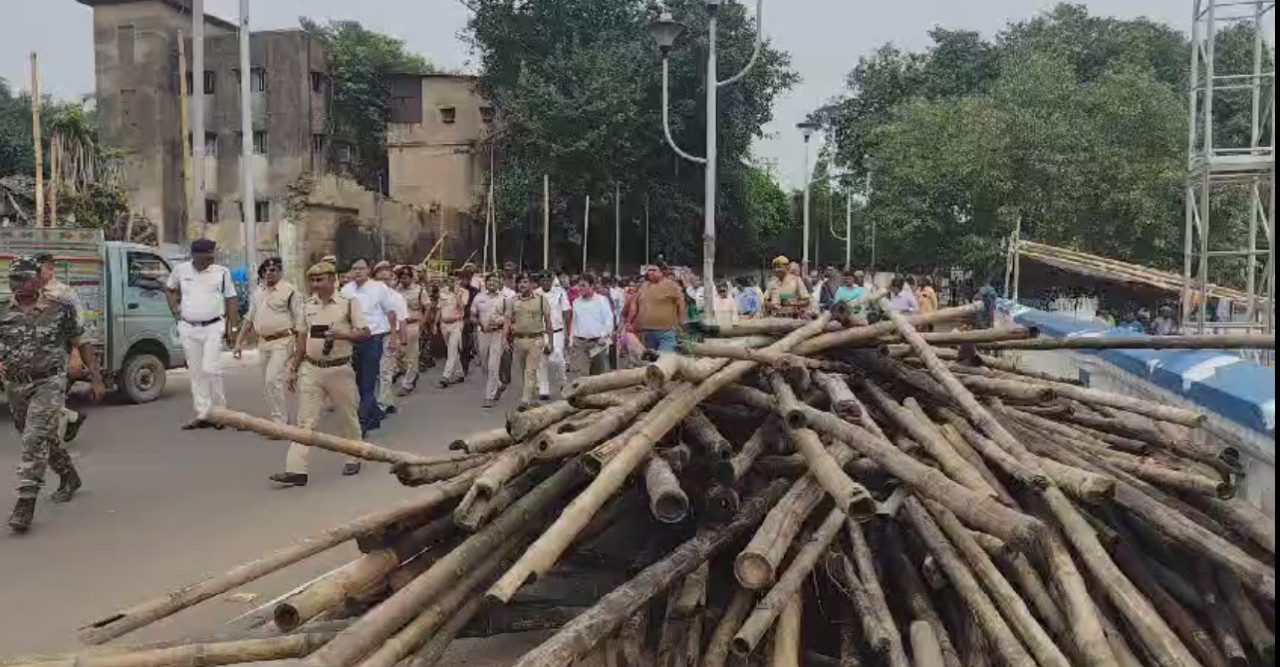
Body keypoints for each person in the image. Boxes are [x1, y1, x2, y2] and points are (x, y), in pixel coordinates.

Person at [2, 257, 106, 532]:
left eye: (23, 280)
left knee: (34, 440)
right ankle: (69, 476)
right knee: (44, 436)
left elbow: (81, 341)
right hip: (15, 385)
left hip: (48, 381)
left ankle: (25, 502)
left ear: (37, 280)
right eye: (13, 281)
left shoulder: (59, 309)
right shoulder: (3, 309)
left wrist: (95, 378)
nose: (18, 286)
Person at [271, 260, 370, 486]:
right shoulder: (307, 305)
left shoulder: (348, 303)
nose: (316, 284)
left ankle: (354, 455)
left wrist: (341, 335)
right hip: (312, 369)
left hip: (340, 369)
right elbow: (302, 338)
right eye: (313, 280)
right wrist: (294, 368)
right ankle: (296, 470)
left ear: (332, 280)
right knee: (305, 422)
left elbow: (365, 333)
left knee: (347, 417)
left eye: (320, 280)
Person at [166, 238, 239, 430]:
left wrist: (233, 329)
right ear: (195, 255)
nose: (211, 259)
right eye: (207, 256)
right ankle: (204, 413)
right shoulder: (180, 270)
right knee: (196, 372)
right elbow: (169, 288)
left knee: (211, 368)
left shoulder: (222, 272)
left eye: (212, 255)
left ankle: (220, 413)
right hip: (188, 327)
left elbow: (231, 299)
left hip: (214, 326)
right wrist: (175, 311)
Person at [234, 257, 303, 433]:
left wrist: (300, 348)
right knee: (268, 382)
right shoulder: (258, 292)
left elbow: (300, 320)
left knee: (273, 379)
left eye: (273, 269)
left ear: (281, 271)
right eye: (266, 270)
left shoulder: (290, 291)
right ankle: (278, 418)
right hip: (263, 342)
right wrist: (238, 342)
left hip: (283, 340)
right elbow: (249, 319)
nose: (269, 273)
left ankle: (280, 424)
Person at [340, 258, 401, 436]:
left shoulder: (379, 288)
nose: (357, 272)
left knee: (367, 381)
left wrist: (394, 336)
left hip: (374, 338)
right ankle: (374, 413)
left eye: (361, 268)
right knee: (357, 381)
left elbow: (391, 312)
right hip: (353, 339)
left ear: (368, 271)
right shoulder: (346, 290)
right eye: (354, 268)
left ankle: (362, 424)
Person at [33, 252, 89, 443]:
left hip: (58, 351)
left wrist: (75, 353)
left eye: (39, 268)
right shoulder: (29, 290)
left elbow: (78, 321)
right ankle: (72, 417)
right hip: (34, 352)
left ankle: (54, 442)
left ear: (50, 268)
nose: (36, 273)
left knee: (53, 395)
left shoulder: (65, 293)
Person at [505, 274, 552, 408]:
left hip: (536, 339)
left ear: (532, 284)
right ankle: (533, 394)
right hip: (519, 340)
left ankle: (525, 400)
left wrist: (550, 342)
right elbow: (507, 321)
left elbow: (548, 322)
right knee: (520, 371)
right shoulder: (513, 301)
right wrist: (504, 339)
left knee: (530, 371)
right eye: (519, 282)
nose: (522, 285)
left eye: (525, 282)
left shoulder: (541, 300)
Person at [372, 263, 409, 416]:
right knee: (376, 372)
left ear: (391, 280)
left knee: (385, 371)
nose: (383, 283)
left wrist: (402, 341)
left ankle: (381, 406)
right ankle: (388, 401)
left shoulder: (396, 297)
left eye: (386, 279)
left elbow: (402, 320)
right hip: (371, 338)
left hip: (389, 336)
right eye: (379, 280)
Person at [627, 264, 686, 352]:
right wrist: (629, 322)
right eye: (649, 270)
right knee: (651, 362)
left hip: (666, 332)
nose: (650, 272)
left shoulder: (671, 286)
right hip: (647, 333)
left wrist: (683, 326)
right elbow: (634, 306)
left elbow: (681, 306)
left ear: (661, 272)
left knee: (664, 361)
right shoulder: (643, 286)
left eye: (654, 270)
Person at [470, 274, 509, 408]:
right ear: (485, 283)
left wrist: (503, 328)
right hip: (482, 334)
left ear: (499, 284)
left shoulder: (504, 299)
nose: (492, 283)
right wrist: (480, 324)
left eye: (495, 281)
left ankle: (489, 396)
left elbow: (509, 319)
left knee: (493, 365)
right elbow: (472, 317)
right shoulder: (479, 298)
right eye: (490, 281)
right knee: (484, 365)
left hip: (497, 334)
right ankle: (498, 385)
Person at [567, 274, 615, 378]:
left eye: (583, 285)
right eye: (579, 286)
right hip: (580, 343)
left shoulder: (601, 300)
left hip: (598, 343)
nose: (580, 289)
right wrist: (571, 341)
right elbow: (574, 322)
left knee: (598, 376)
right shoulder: (576, 302)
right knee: (580, 375)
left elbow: (609, 320)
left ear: (592, 286)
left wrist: (604, 336)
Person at [536, 272, 572, 400]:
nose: (545, 282)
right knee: (542, 360)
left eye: (548, 280)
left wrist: (568, 333)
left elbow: (566, 313)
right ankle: (543, 389)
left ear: (552, 280)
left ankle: (563, 382)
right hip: (541, 330)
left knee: (557, 357)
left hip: (557, 330)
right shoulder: (536, 293)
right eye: (543, 279)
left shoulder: (560, 292)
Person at [394, 265, 428, 396]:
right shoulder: (397, 290)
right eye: (401, 277)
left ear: (411, 277)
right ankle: (409, 372)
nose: (403, 279)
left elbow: (427, 307)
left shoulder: (419, 290)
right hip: (398, 325)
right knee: (398, 354)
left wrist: (422, 324)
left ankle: (407, 384)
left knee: (412, 355)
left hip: (413, 324)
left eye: (406, 277)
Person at [435, 271, 469, 387]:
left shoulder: (464, 292)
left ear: (457, 281)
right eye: (449, 279)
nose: (451, 281)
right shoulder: (443, 292)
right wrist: (435, 323)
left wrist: (456, 294)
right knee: (452, 350)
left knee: (452, 348)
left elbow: (462, 306)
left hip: (456, 323)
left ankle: (446, 376)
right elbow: (439, 309)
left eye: (454, 279)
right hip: (444, 324)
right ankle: (460, 374)